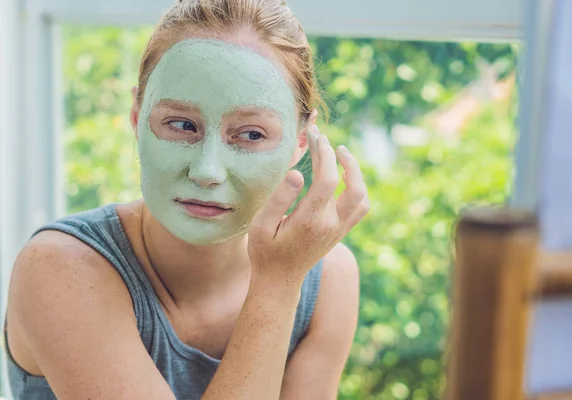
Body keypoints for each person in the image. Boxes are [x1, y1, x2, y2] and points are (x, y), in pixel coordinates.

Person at [4, 0, 369, 398]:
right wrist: (277, 286)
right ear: (136, 115)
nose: (207, 171)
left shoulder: (328, 276)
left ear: (302, 140)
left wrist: (284, 279)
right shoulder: (60, 267)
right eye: (181, 125)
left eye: (250, 135)